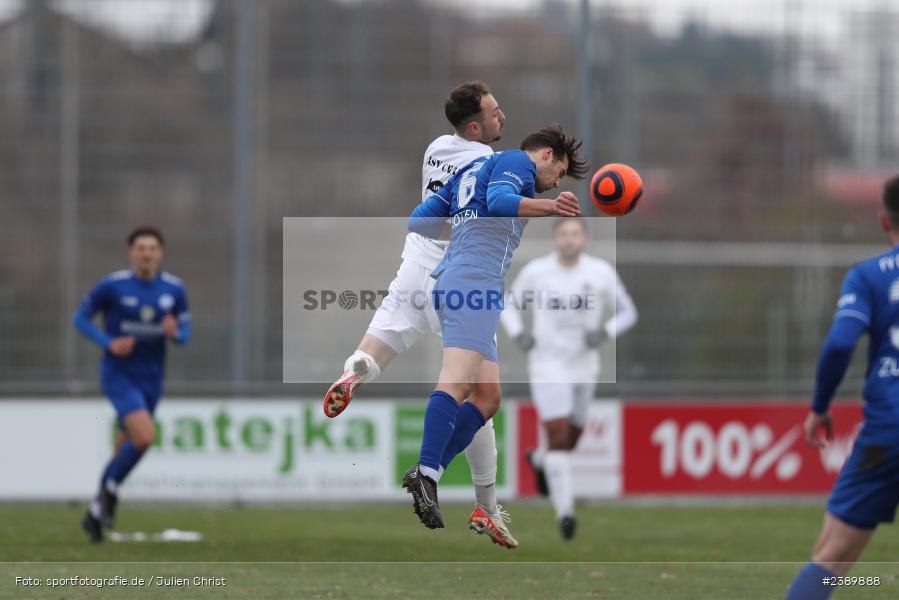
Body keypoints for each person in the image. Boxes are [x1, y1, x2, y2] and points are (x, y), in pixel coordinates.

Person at [322, 81, 518, 548]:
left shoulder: (436, 148)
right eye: (495, 111)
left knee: (383, 340)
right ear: (475, 126)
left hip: (415, 263)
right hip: (460, 273)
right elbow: (501, 203)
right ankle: (477, 502)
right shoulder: (487, 164)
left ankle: (358, 370)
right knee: (482, 398)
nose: (502, 116)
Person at [403, 124, 588, 530]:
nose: (556, 182)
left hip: (457, 279)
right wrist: (553, 206)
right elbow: (502, 200)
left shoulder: (469, 174)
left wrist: (465, 218)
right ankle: (426, 472)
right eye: (559, 171)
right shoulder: (513, 163)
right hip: (474, 283)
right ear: (546, 155)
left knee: (488, 398)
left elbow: (419, 221)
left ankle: (430, 473)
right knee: (455, 382)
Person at [784, 174, 899, 600]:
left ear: (884, 220)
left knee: (830, 557)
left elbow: (840, 344)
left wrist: (820, 406)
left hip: (888, 430)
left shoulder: (869, 276)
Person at [501, 216, 637, 540]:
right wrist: (520, 334)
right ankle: (565, 513)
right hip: (547, 365)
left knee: (571, 437)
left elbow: (628, 311)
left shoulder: (600, 272)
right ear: (555, 239)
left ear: (585, 238)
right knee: (559, 434)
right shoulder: (537, 271)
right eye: (563, 234)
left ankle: (539, 458)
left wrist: (605, 332)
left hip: (584, 366)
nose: (569, 240)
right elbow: (507, 304)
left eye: (575, 234)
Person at [74, 226, 191, 543]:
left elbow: (185, 334)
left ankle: (94, 516)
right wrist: (108, 342)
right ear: (131, 252)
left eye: (152, 247)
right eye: (140, 247)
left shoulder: (174, 289)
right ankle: (110, 493)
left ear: (160, 253)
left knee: (125, 446)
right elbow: (80, 319)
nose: (146, 253)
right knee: (145, 436)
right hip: (119, 375)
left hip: (152, 379)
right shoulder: (113, 286)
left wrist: (173, 333)